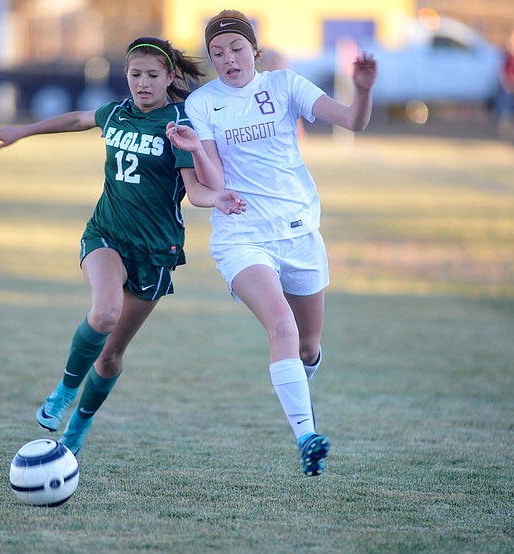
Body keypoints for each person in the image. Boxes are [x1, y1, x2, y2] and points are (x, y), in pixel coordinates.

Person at [0, 36, 245, 459]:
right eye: (134, 75)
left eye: (152, 76)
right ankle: (64, 391)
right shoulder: (116, 114)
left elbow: (196, 190)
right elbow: (77, 120)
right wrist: (22, 131)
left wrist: (217, 198)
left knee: (109, 359)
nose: (142, 83)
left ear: (169, 77)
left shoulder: (179, 124)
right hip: (106, 234)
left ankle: (80, 424)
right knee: (104, 312)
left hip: (155, 252)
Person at [166, 10, 376, 476]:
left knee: (308, 347)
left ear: (253, 50)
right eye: (218, 53)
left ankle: (304, 405)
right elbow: (214, 180)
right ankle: (306, 437)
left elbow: (352, 121)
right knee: (281, 325)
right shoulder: (201, 104)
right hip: (242, 236)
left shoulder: (284, 85)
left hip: (299, 231)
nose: (228, 59)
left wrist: (361, 90)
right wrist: (198, 150)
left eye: (236, 49)